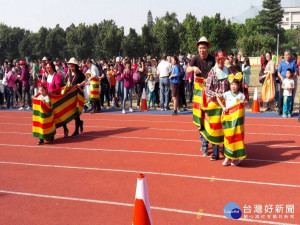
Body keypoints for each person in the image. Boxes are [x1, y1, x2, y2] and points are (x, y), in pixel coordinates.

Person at [187, 36, 216, 158]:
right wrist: (193, 68)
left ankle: (214, 141)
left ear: (207, 48)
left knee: (212, 117)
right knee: (201, 117)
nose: (202, 50)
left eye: (204, 48)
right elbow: (188, 69)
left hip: (210, 91)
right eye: (200, 48)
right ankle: (204, 144)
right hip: (199, 92)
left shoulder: (212, 59)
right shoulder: (195, 59)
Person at [216, 79, 248, 166]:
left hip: (237, 121)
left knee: (237, 138)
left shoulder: (241, 95)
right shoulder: (226, 94)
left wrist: (243, 102)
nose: (233, 86)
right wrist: (223, 107)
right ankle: (227, 157)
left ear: (238, 86)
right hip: (228, 120)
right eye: (232, 84)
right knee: (228, 138)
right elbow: (218, 98)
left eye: (235, 85)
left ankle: (235, 158)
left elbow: (246, 102)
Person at [204, 56, 230, 159]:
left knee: (225, 127)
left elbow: (231, 85)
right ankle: (215, 153)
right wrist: (216, 94)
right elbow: (207, 90)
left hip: (226, 103)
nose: (221, 62)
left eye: (222, 60)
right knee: (215, 128)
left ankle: (226, 151)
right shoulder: (212, 72)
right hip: (214, 104)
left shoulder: (227, 71)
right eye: (219, 60)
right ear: (216, 60)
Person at [66, 57, 86, 136]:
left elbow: (86, 80)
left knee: (76, 112)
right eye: (70, 65)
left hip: (77, 95)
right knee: (72, 112)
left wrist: (80, 84)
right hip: (71, 95)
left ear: (75, 66)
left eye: (72, 65)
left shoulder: (80, 74)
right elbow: (70, 81)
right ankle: (79, 123)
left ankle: (76, 130)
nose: (70, 67)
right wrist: (68, 83)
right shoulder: (70, 74)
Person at [276, 49, 297, 116]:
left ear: (290, 55)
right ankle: (280, 110)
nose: (287, 56)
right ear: (284, 56)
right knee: (281, 96)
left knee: (290, 97)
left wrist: (291, 79)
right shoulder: (282, 63)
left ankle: (289, 111)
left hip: (290, 82)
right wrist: (281, 78)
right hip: (284, 82)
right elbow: (278, 72)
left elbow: (296, 72)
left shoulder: (293, 63)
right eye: (285, 55)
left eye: (288, 55)